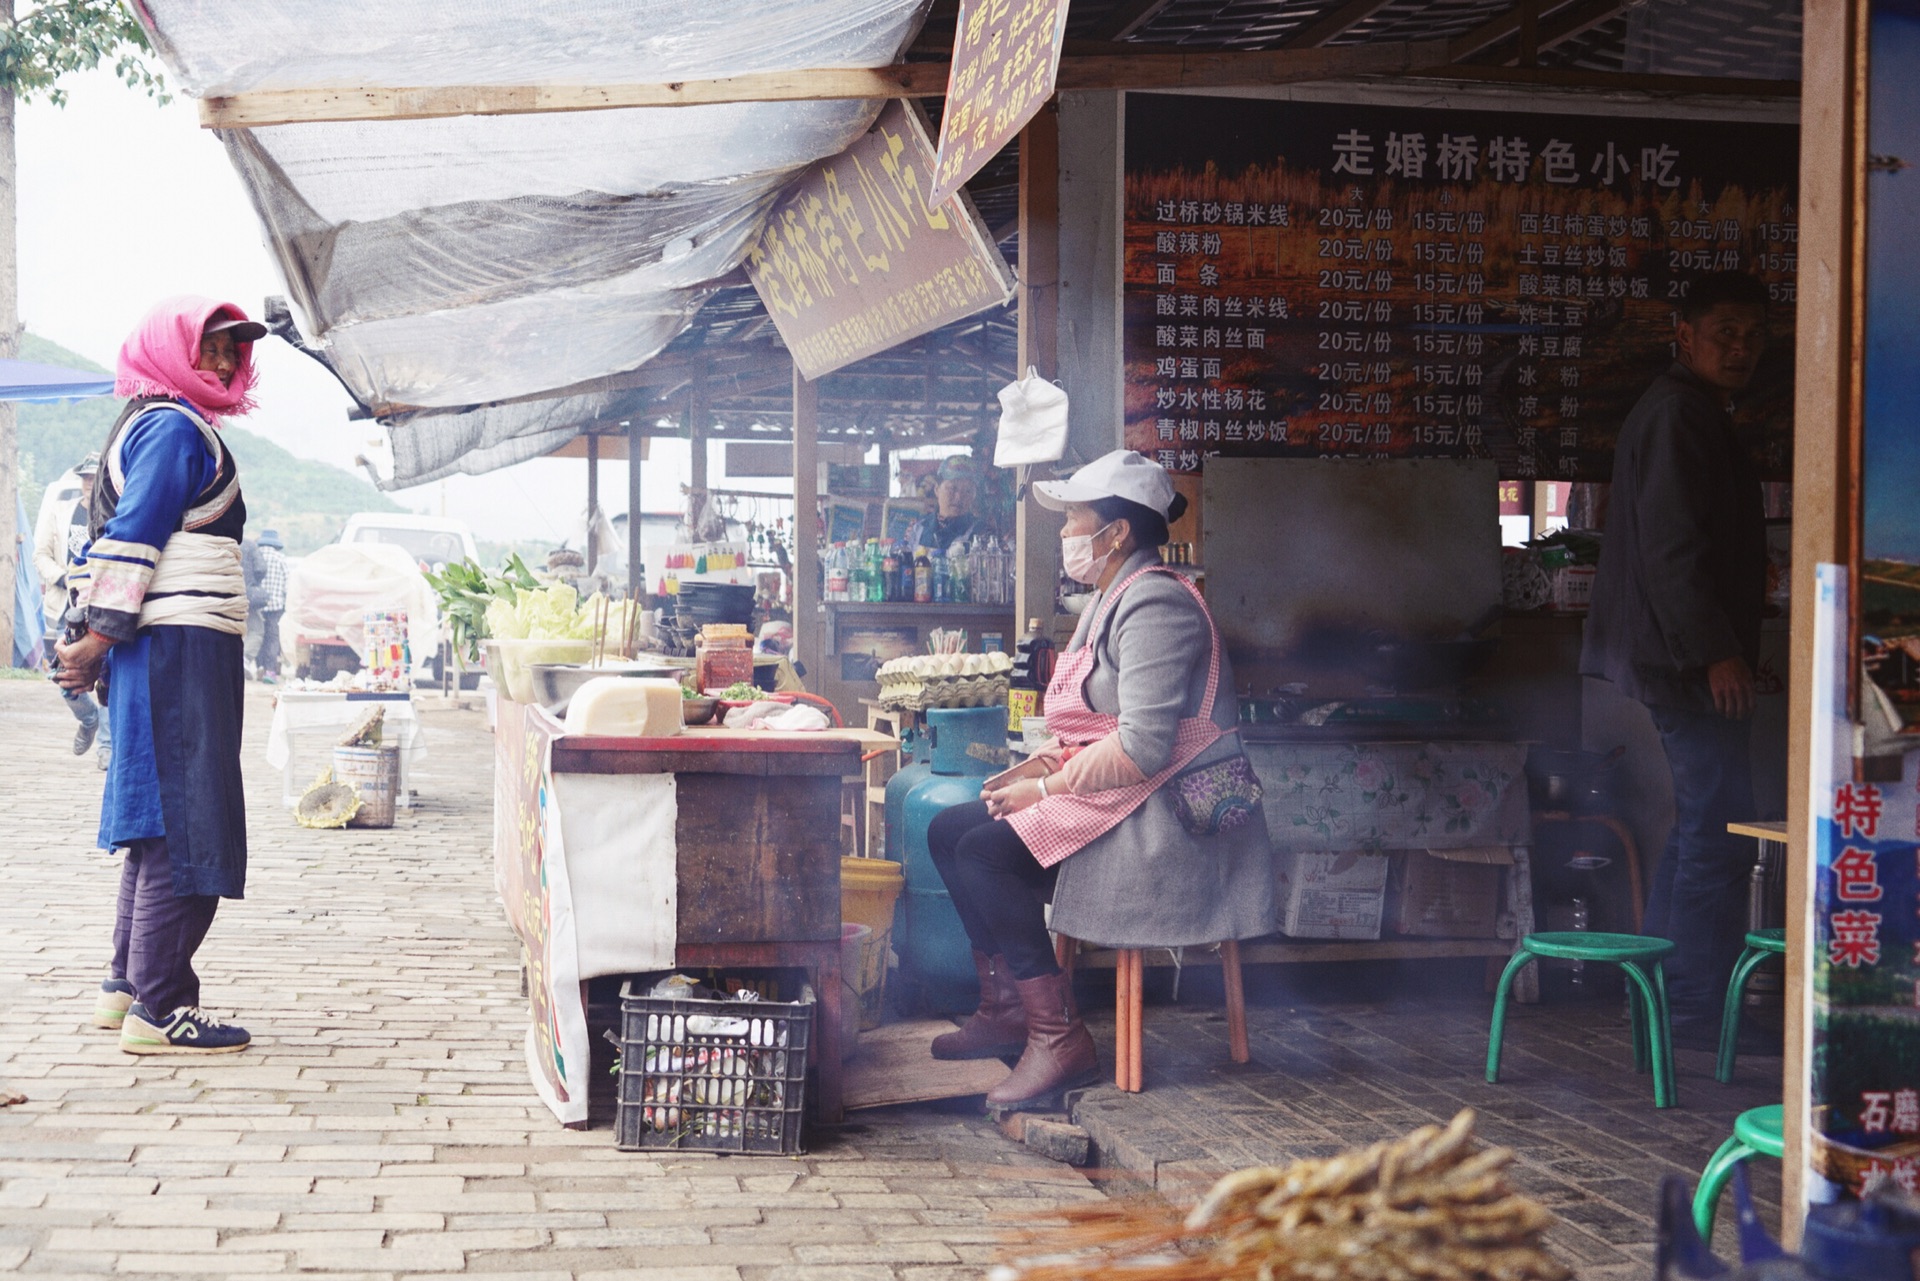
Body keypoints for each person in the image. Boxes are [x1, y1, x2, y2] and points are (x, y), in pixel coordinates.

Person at [924, 450, 1275, 1111]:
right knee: (949, 831)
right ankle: (1005, 1008)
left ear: (1115, 533)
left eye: (1074, 519)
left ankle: (1058, 1037)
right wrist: (1032, 772)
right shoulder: (1110, 598)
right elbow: (1098, 731)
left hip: (1168, 821)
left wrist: (1045, 792)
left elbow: (1142, 746)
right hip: (1122, 799)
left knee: (984, 853)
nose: (1063, 534)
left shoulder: (1156, 606)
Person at [56, 296, 265, 1055]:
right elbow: (136, 533)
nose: (222, 362)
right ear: (170, 351)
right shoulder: (174, 427)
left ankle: (125, 985)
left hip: (165, 643)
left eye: (230, 351)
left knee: (159, 812)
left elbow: (116, 536)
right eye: (208, 348)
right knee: (190, 813)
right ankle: (161, 1006)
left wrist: (99, 635)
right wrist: (100, 639)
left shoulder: (151, 421)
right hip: (177, 642)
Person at [1581, 270, 1773, 1053]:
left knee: (1706, 829)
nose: (1740, 346)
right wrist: (1717, 653)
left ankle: (1662, 995)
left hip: (1683, 660)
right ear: (1683, 333)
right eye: (1724, 330)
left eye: (1753, 333)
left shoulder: (1693, 411)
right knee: (1719, 832)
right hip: (1685, 664)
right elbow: (1671, 552)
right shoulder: (1676, 416)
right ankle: (1695, 1007)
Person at [34, 454, 112, 765]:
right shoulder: (60, 512)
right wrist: (65, 578)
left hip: (103, 605)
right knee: (63, 675)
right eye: (86, 478)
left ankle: (107, 748)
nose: (90, 483)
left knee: (107, 670)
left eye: (95, 477)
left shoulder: (114, 515)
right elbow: (40, 555)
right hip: (66, 606)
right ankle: (88, 718)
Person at [908, 455, 987, 552]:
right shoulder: (919, 528)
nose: (959, 497)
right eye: (952, 488)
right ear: (937, 489)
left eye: (968, 491)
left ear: (974, 496)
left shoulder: (981, 532)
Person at [251, 529, 288, 681]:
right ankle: (270, 672)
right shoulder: (280, 558)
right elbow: (287, 584)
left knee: (258, 635)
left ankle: (259, 667)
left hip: (257, 604)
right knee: (273, 639)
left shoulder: (256, 556)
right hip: (275, 607)